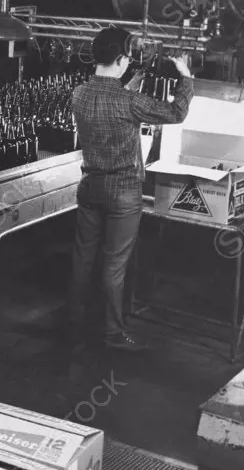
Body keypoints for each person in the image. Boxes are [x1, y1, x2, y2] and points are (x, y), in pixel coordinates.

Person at [69, 27, 193, 351]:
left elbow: (109, 102)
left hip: (89, 185)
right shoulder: (128, 100)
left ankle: (75, 324)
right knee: (114, 265)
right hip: (123, 191)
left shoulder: (79, 93)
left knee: (83, 258)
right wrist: (185, 77)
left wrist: (129, 84)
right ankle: (112, 334)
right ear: (123, 59)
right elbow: (175, 113)